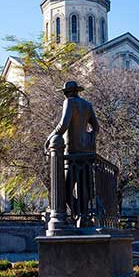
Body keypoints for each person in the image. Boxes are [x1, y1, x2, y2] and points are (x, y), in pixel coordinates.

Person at [44, 81, 99, 224]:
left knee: (66, 191)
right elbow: (96, 127)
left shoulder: (69, 102)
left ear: (69, 92)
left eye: (65, 92)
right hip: (86, 152)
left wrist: (49, 138)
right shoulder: (87, 105)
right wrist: (89, 140)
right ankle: (83, 216)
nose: (65, 94)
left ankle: (79, 214)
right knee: (83, 188)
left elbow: (63, 124)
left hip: (73, 152)